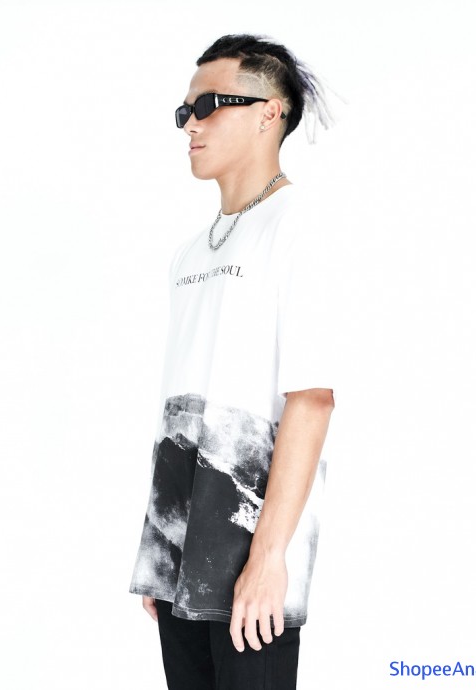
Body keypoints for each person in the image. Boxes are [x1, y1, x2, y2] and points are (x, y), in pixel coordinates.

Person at [128, 33, 340, 689]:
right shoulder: (190, 252)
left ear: (268, 112)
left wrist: (269, 555)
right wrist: (162, 547)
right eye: (184, 111)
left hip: (253, 556)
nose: (190, 124)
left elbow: (312, 398)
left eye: (208, 105)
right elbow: (183, 398)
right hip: (177, 553)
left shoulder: (299, 224)